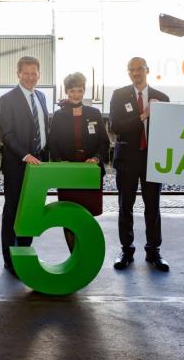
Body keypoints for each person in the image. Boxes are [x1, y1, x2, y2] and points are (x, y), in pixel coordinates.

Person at [108, 57, 170, 272]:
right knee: (126, 206)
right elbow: (116, 126)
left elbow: (169, 132)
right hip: (127, 161)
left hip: (153, 161)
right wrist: (144, 115)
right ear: (128, 73)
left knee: (153, 207)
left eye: (140, 69)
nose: (136, 73)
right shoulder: (119, 95)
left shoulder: (162, 98)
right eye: (132, 70)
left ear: (147, 70)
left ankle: (154, 251)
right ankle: (126, 250)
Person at [0, 56, 50, 276]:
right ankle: (10, 259)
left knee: (30, 211)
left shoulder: (41, 96)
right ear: (18, 73)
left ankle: (25, 252)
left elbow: (46, 128)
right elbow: (7, 134)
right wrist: (26, 155)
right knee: (12, 211)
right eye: (26, 73)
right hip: (17, 164)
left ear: (39, 74)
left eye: (34, 73)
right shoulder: (6, 99)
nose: (30, 77)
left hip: (39, 165)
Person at [48, 72, 110, 252]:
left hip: (89, 172)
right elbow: (53, 143)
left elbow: (104, 142)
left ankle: (85, 253)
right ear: (67, 92)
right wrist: (60, 161)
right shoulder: (59, 116)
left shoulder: (94, 113)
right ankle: (74, 254)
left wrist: (96, 158)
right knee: (68, 216)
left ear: (84, 91)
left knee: (86, 216)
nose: (76, 95)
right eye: (72, 91)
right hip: (68, 174)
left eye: (80, 90)